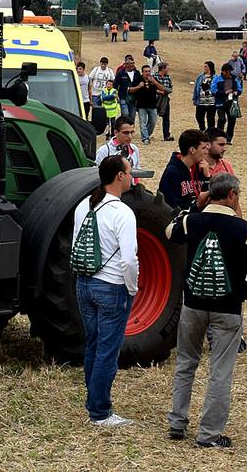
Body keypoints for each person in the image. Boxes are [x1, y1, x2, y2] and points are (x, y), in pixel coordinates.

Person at [165, 173, 247, 449]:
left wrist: (195, 207)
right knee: (220, 371)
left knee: (186, 363)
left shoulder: (191, 221)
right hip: (228, 309)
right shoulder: (246, 230)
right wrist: (242, 294)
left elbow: (169, 232)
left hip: (193, 305)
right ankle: (209, 433)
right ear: (232, 195)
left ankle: (177, 422)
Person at [73, 155, 140, 426]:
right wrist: (132, 288)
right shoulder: (123, 212)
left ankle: (93, 401)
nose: (132, 176)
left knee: (93, 344)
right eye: (129, 171)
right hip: (111, 287)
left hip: (84, 283)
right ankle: (100, 411)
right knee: (107, 351)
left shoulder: (83, 205)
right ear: (120, 177)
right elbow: (128, 259)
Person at [158, 129, 210, 214]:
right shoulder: (172, 173)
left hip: (197, 217)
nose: (206, 152)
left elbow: (208, 199)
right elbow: (172, 208)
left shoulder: (201, 167)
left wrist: (207, 177)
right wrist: (197, 207)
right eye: (203, 148)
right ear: (192, 150)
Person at [133, 63, 161, 145]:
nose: (148, 73)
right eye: (146, 71)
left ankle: (146, 135)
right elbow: (130, 89)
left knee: (153, 122)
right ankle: (145, 138)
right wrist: (138, 86)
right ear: (142, 72)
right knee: (143, 123)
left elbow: (162, 88)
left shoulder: (153, 79)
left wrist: (154, 82)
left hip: (152, 105)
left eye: (149, 71)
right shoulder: (138, 79)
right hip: (142, 105)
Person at [214, 65, 241, 143]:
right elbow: (213, 90)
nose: (229, 73)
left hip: (231, 103)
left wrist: (237, 92)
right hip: (220, 103)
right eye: (228, 71)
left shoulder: (234, 79)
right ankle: (219, 137)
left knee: (232, 121)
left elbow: (239, 88)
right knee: (222, 120)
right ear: (223, 71)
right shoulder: (217, 79)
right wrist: (224, 92)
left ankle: (228, 138)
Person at [192, 62, 218, 132]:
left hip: (211, 102)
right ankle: (202, 128)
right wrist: (194, 98)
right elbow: (196, 88)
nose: (204, 68)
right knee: (199, 116)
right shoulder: (200, 77)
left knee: (210, 118)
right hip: (201, 101)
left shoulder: (215, 77)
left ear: (210, 67)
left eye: (206, 66)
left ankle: (210, 132)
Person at [154, 61, 175, 141]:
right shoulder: (154, 76)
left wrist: (163, 90)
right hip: (155, 99)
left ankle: (166, 135)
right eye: (167, 68)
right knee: (152, 117)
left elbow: (170, 89)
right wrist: (161, 91)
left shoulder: (168, 77)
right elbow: (152, 88)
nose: (168, 70)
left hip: (165, 100)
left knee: (166, 118)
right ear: (163, 69)